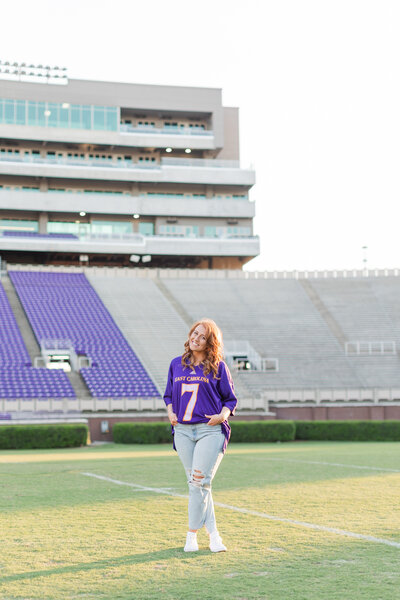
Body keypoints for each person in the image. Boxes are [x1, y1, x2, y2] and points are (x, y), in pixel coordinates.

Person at [163, 318, 237, 553]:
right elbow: (168, 396)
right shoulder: (176, 364)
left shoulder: (218, 366)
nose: (195, 338)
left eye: (202, 336)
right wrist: (170, 412)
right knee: (200, 485)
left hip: (209, 430)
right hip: (183, 431)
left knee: (198, 483)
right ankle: (215, 536)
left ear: (210, 343)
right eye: (194, 333)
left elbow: (230, 399)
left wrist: (222, 416)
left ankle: (191, 536)